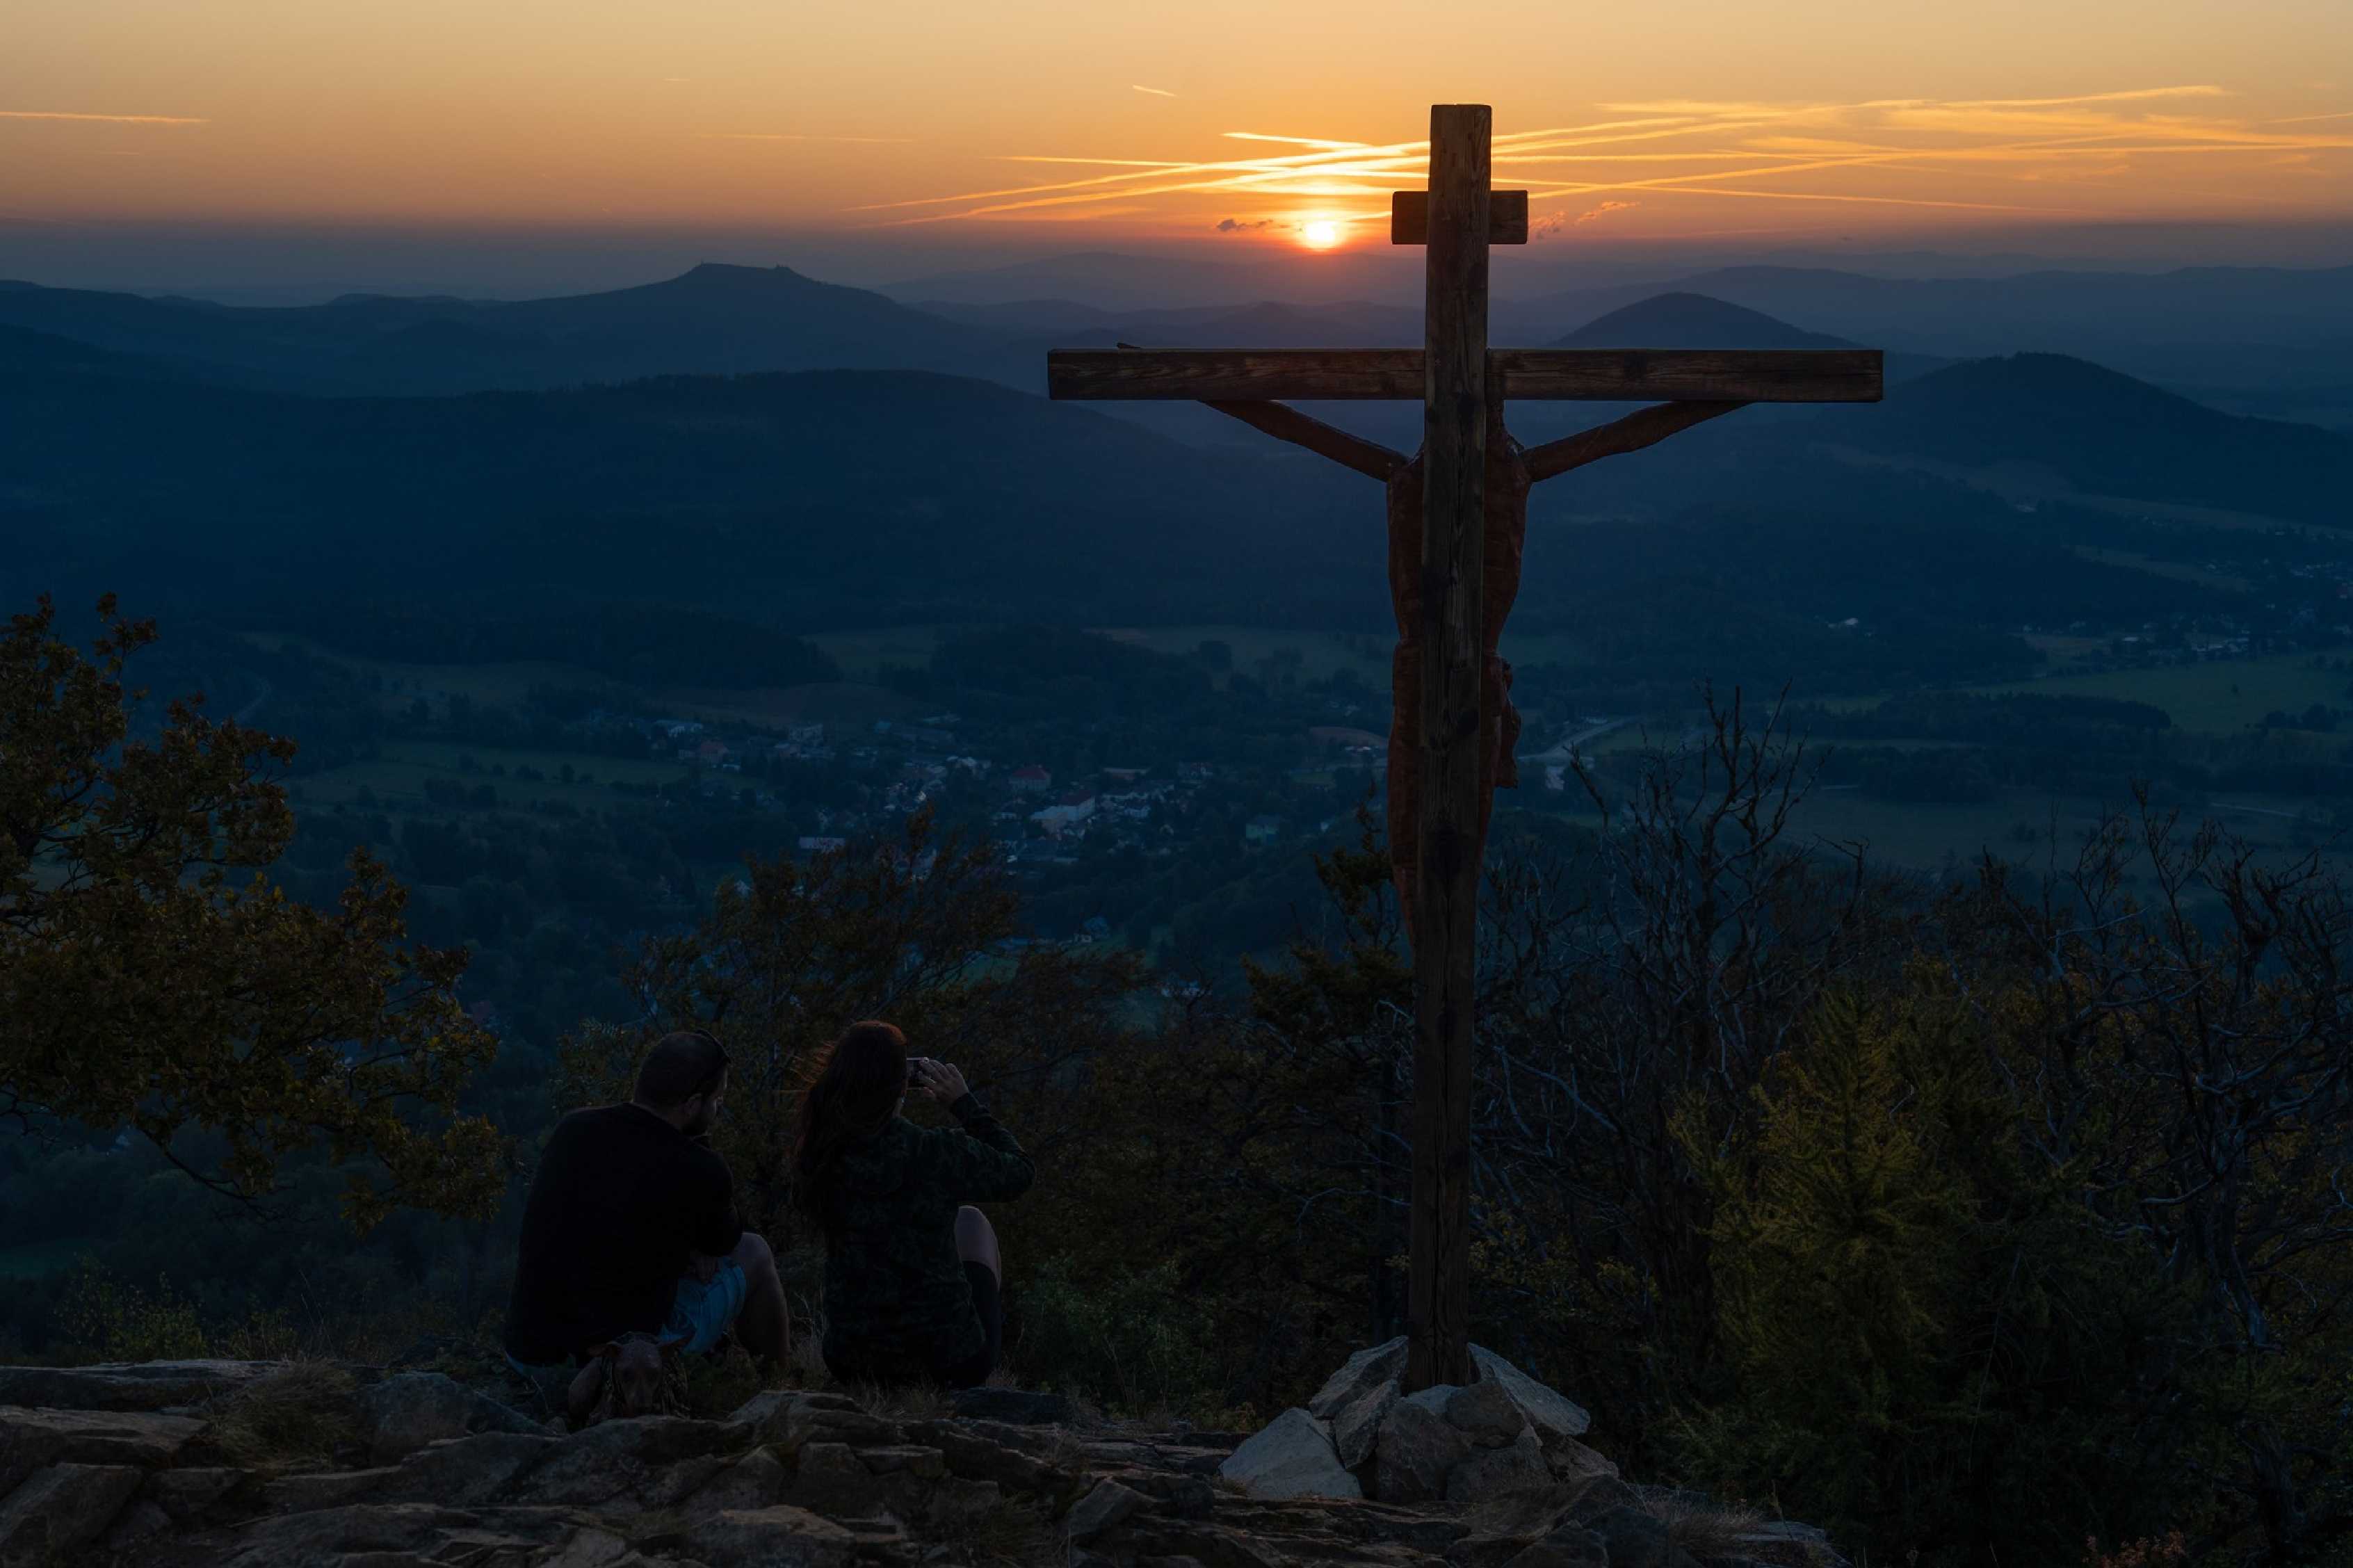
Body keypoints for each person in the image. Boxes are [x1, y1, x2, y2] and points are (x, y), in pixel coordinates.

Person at [503, 1028, 791, 1423]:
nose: (719, 1108)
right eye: (718, 1100)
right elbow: (726, 1240)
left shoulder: (573, 1129)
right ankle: (780, 1389)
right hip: (614, 1368)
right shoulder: (698, 1168)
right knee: (756, 1253)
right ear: (692, 1105)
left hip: (527, 1356)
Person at [790, 1019, 1032, 1388]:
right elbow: (1021, 1172)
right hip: (952, 1363)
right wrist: (964, 1105)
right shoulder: (934, 1152)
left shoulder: (820, 1155)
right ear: (902, 1085)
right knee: (972, 1221)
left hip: (852, 1362)